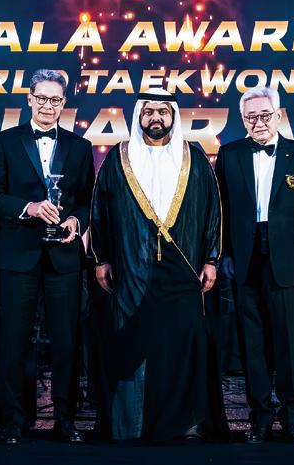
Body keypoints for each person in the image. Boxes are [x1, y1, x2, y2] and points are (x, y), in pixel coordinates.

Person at [89, 89, 222, 443]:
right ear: (139, 115)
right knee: (134, 339)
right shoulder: (119, 157)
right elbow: (100, 211)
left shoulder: (193, 157)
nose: (156, 118)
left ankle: (186, 424)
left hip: (184, 266)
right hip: (132, 267)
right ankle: (131, 425)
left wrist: (211, 258)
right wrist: (102, 258)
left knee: (182, 341)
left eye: (163, 111)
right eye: (149, 111)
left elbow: (212, 211)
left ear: (173, 115)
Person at [0, 69, 95, 445]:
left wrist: (76, 220)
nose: (47, 105)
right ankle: (13, 420)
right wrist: (28, 208)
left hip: (63, 257)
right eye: (41, 98)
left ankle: (65, 420)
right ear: (29, 99)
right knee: (13, 342)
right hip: (18, 255)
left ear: (64, 103)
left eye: (55, 99)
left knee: (66, 343)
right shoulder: (3, 141)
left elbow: (87, 200)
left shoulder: (79, 146)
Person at [214, 86, 294, 445]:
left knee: (289, 344)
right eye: (251, 117)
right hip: (244, 260)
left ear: (278, 115)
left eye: (264, 115)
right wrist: (223, 254)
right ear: (243, 120)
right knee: (253, 344)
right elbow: (221, 210)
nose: (258, 122)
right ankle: (259, 418)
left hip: (290, 260)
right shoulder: (229, 154)